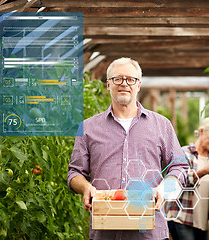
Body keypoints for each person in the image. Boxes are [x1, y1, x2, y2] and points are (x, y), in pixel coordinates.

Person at [67, 57, 189, 240]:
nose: (124, 84)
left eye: (130, 79)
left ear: (138, 85)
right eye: (118, 79)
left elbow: (179, 167)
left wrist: (164, 189)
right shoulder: (88, 128)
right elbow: (75, 173)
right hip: (104, 231)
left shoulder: (161, 125)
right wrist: (85, 188)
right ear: (108, 84)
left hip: (149, 232)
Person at [166, 117, 209, 240]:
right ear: (202, 131)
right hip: (181, 217)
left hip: (201, 221)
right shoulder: (183, 153)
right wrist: (204, 171)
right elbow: (177, 181)